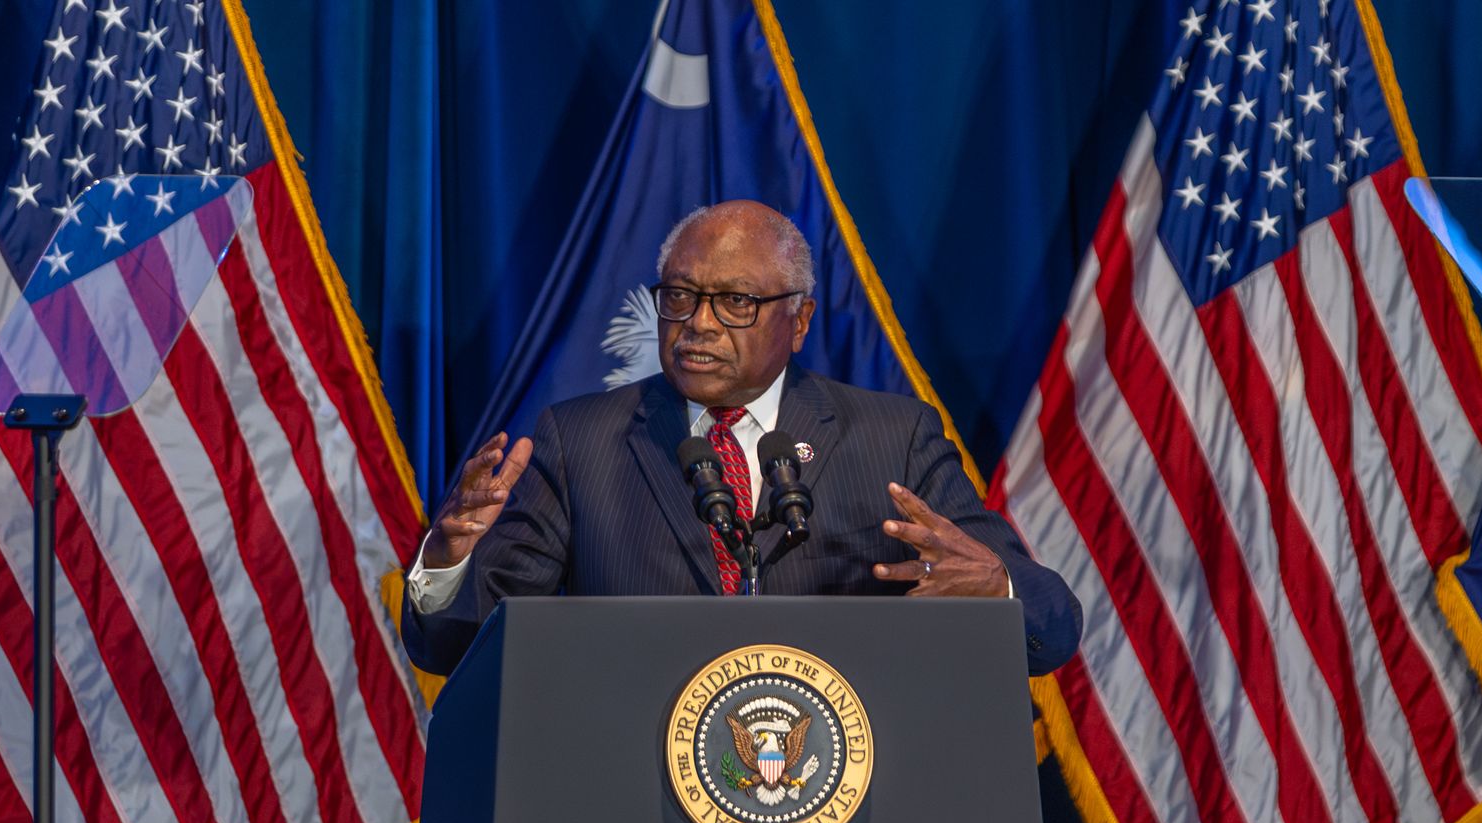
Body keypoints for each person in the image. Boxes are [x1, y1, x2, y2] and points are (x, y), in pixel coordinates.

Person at [401, 200, 1080, 676]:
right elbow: (456, 649)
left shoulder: (894, 438)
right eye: (680, 296)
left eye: (735, 303)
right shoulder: (580, 443)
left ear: (800, 319)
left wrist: (998, 591)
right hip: (639, 819)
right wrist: (448, 560)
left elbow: (1050, 628)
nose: (697, 324)